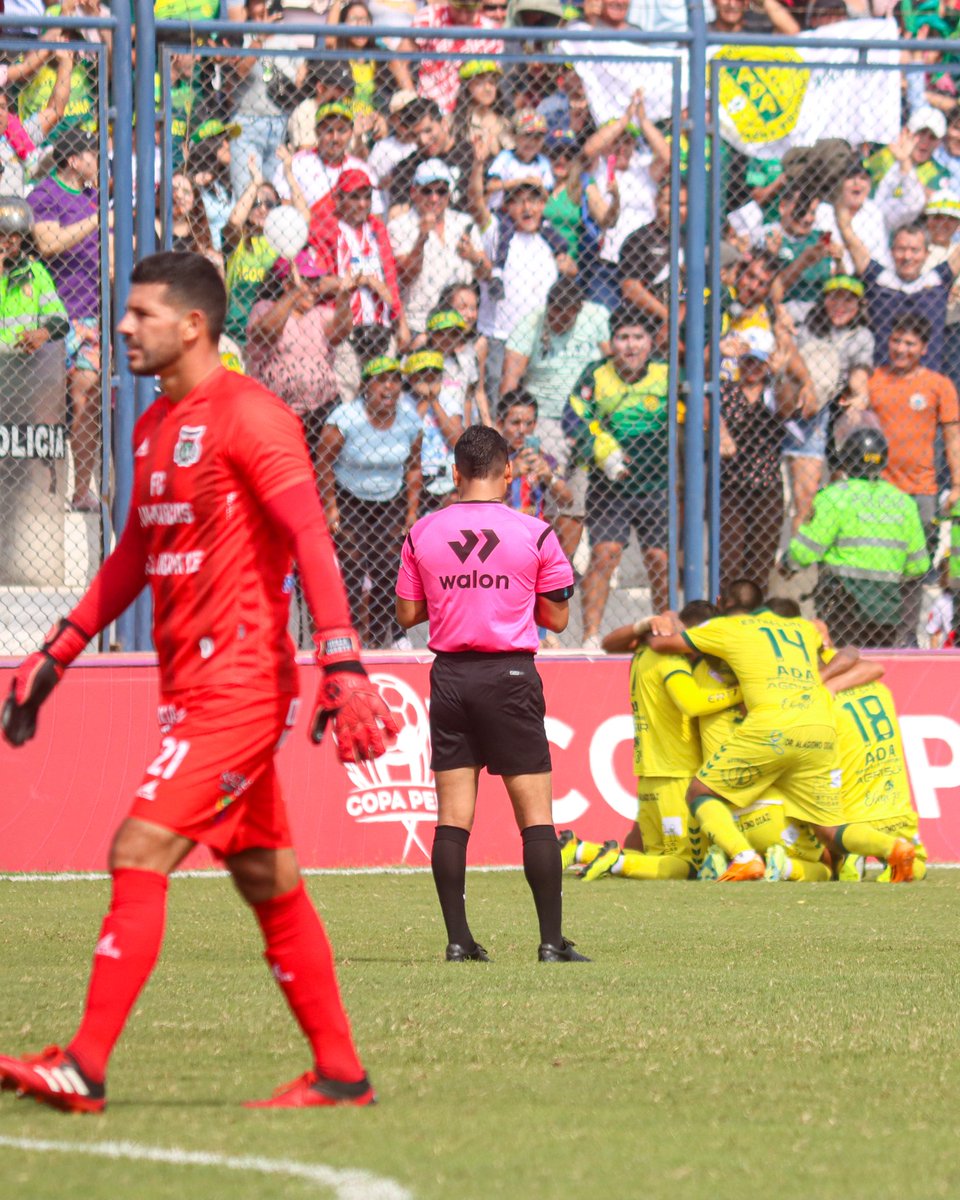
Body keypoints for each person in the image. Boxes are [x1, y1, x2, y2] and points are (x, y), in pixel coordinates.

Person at [0, 250, 397, 1113]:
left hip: (242, 688)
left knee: (137, 850)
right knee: (269, 883)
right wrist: (57, 651)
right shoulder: (151, 425)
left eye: (142, 313)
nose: (124, 326)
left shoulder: (253, 417)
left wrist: (341, 658)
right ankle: (340, 1073)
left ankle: (84, 1065)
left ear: (192, 325)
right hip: (190, 691)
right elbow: (135, 555)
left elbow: (310, 534)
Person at [395, 423, 587, 963]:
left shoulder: (421, 532)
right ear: (508, 473)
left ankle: (459, 941)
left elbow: (407, 614)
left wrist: (456, 598)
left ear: (456, 473)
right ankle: (551, 943)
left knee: (452, 817)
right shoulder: (537, 533)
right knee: (536, 817)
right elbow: (557, 616)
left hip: (451, 677)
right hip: (509, 676)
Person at [646, 596, 919, 883]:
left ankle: (743, 857)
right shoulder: (802, 633)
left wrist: (657, 622)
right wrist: (822, 677)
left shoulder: (733, 633)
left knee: (699, 791)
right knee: (829, 830)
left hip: (770, 741)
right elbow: (854, 654)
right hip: (817, 730)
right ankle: (893, 847)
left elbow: (663, 646)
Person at [569, 600, 743, 883]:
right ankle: (615, 861)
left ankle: (581, 850)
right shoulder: (671, 660)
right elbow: (693, 703)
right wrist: (740, 694)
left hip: (649, 772)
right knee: (686, 863)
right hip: (676, 773)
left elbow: (612, 643)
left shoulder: (643, 651)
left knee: (656, 856)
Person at [563, 303, 670, 647]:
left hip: (658, 484)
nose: (631, 345)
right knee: (604, 555)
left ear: (650, 342)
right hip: (609, 488)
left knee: (660, 560)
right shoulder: (596, 374)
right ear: (611, 343)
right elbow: (573, 416)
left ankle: (663, 634)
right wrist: (599, 446)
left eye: (638, 337)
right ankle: (591, 638)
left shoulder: (667, 374)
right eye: (623, 337)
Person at [784, 427, 930, 648]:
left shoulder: (834, 497)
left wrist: (789, 563)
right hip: (887, 603)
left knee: (839, 654)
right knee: (879, 657)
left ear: (847, 459)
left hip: (843, 602)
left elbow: (805, 551)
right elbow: (919, 565)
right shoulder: (903, 502)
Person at [500, 275, 610, 557]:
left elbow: (612, 363)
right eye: (555, 315)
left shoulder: (597, 317)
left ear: (579, 309)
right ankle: (539, 554)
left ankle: (563, 565)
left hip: (586, 419)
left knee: (575, 497)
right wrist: (503, 426)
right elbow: (510, 378)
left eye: (567, 316)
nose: (559, 322)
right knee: (546, 492)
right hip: (543, 419)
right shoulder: (531, 323)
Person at [866, 313, 960, 642]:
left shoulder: (939, 385)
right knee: (879, 565)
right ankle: (875, 634)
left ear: (923, 348)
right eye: (896, 340)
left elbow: (952, 438)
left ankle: (905, 638)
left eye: (910, 343)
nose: (901, 349)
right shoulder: (873, 380)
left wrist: (958, 485)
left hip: (921, 491)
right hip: (879, 491)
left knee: (915, 568)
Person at [318, 355, 422, 648]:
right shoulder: (345, 419)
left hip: (390, 498)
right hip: (349, 497)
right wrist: (331, 507)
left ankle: (378, 638)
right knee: (351, 566)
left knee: (388, 567)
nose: (389, 387)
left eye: (395, 381)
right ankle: (348, 635)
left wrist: (412, 510)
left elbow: (414, 466)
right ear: (366, 386)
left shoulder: (410, 421)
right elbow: (324, 463)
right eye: (381, 381)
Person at [28, 126, 101, 513]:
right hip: (53, 317)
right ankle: (43, 491)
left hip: (90, 316)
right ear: (73, 160)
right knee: (46, 404)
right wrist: (97, 220)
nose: (97, 160)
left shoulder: (93, 198)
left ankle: (81, 489)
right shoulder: (44, 195)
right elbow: (48, 243)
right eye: (91, 154)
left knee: (87, 395)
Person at [718, 328, 802, 592]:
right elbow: (703, 401)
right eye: (748, 361)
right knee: (729, 562)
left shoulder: (773, 391)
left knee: (760, 564)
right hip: (730, 487)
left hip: (766, 487)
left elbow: (787, 408)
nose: (752, 368)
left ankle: (755, 613)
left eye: (758, 362)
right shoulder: (726, 391)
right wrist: (719, 357)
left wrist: (780, 374)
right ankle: (727, 613)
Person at [831, 670, 927, 883]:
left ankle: (852, 854)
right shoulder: (881, 690)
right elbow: (871, 665)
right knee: (917, 862)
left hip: (852, 816)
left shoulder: (824, 698)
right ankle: (894, 868)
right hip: (895, 811)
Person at [388, 158, 481, 336]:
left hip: (460, 324)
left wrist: (473, 256)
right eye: (427, 191)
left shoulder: (464, 223)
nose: (434, 198)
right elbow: (406, 277)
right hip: (419, 324)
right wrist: (421, 238)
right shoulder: (399, 226)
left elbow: (486, 273)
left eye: (441, 191)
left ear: (449, 194)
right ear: (413, 192)